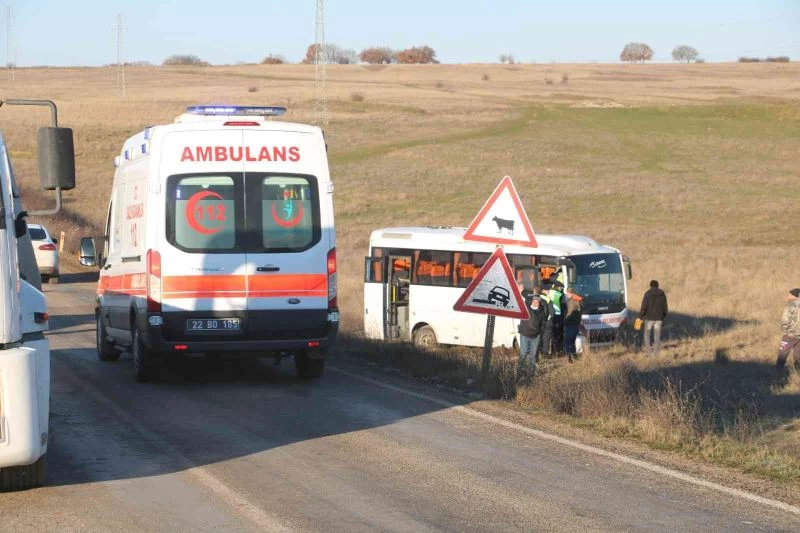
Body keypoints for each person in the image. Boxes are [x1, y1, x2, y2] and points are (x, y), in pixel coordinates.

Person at [517, 295, 547, 378]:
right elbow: (525, 300)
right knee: (523, 353)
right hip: (524, 334)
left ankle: (531, 374)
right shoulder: (526, 309)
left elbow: (544, 324)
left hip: (535, 336)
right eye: (534, 301)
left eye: (537, 302)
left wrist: (540, 333)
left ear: (539, 303)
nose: (535, 303)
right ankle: (519, 372)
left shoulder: (542, 313)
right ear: (531, 301)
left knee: (533, 355)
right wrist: (533, 296)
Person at [639, 279, 668, 356]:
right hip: (658, 319)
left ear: (650, 285)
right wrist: (662, 317)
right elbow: (665, 308)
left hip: (648, 319)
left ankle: (648, 352)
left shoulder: (647, 294)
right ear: (658, 285)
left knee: (647, 335)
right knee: (657, 336)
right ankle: (656, 353)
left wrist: (640, 317)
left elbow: (644, 307)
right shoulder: (662, 294)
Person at [777, 288, 800, 369]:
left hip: (791, 333)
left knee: (783, 351)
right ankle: (797, 370)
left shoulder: (791, 305)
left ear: (795, 296)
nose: (788, 296)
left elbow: (785, 319)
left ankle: (779, 369)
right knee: (798, 353)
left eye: (790, 295)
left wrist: (785, 330)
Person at [563, 288, 584, 362]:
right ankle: (574, 355)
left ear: (569, 293)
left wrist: (565, 322)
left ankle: (569, 357)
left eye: (567, 294)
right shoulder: (578, 300)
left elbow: (570, 313)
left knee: (568, 341)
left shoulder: (571, 301)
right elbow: (580, 312)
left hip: (570, 323)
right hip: (576, 323)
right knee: (572, 340)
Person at [549, 280, 565, 354]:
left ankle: (554, 351)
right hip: (558, 317)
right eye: (561, 287)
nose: (561, 289)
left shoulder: (550, 293)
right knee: (558, 334)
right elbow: (562, 306)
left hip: (551, 316)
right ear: (558, 287)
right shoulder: (558, 294)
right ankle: (558, 350)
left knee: (554, 335)